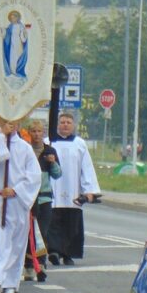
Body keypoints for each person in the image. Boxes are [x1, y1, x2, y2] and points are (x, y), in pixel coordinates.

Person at [0, 119, 41, 293]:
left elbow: (34, 176)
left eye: (13, 123)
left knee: (13, 244)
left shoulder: (25, 148)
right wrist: (1, 139)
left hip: (15, 201)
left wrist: (16, 190)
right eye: (6, 122)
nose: (10, 126)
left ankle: (9, 284)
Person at [47, 112, 100, 265]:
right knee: (53, 223)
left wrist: (89, 190)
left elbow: (86, 168)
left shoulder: (80, 144)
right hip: (53, 189)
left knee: (71, 224)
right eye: (62, 122)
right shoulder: (49, 142)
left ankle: (68, 254)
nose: (65, 125)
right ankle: (54, 251)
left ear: (73, 125)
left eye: (68, 122)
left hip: (73, 190)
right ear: (57, 125)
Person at [23, 119, 61, 282]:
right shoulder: (25, 150)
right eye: (34, 131)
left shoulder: (49, 151)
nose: (37, 135)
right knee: (26, 232)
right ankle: (28, 264)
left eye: (39, 131)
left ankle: (41, 262)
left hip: (44, 197)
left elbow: (58, 174)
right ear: (29, 133)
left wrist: (52, 163)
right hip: (28, 198)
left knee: (42, 231)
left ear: (43, 133)